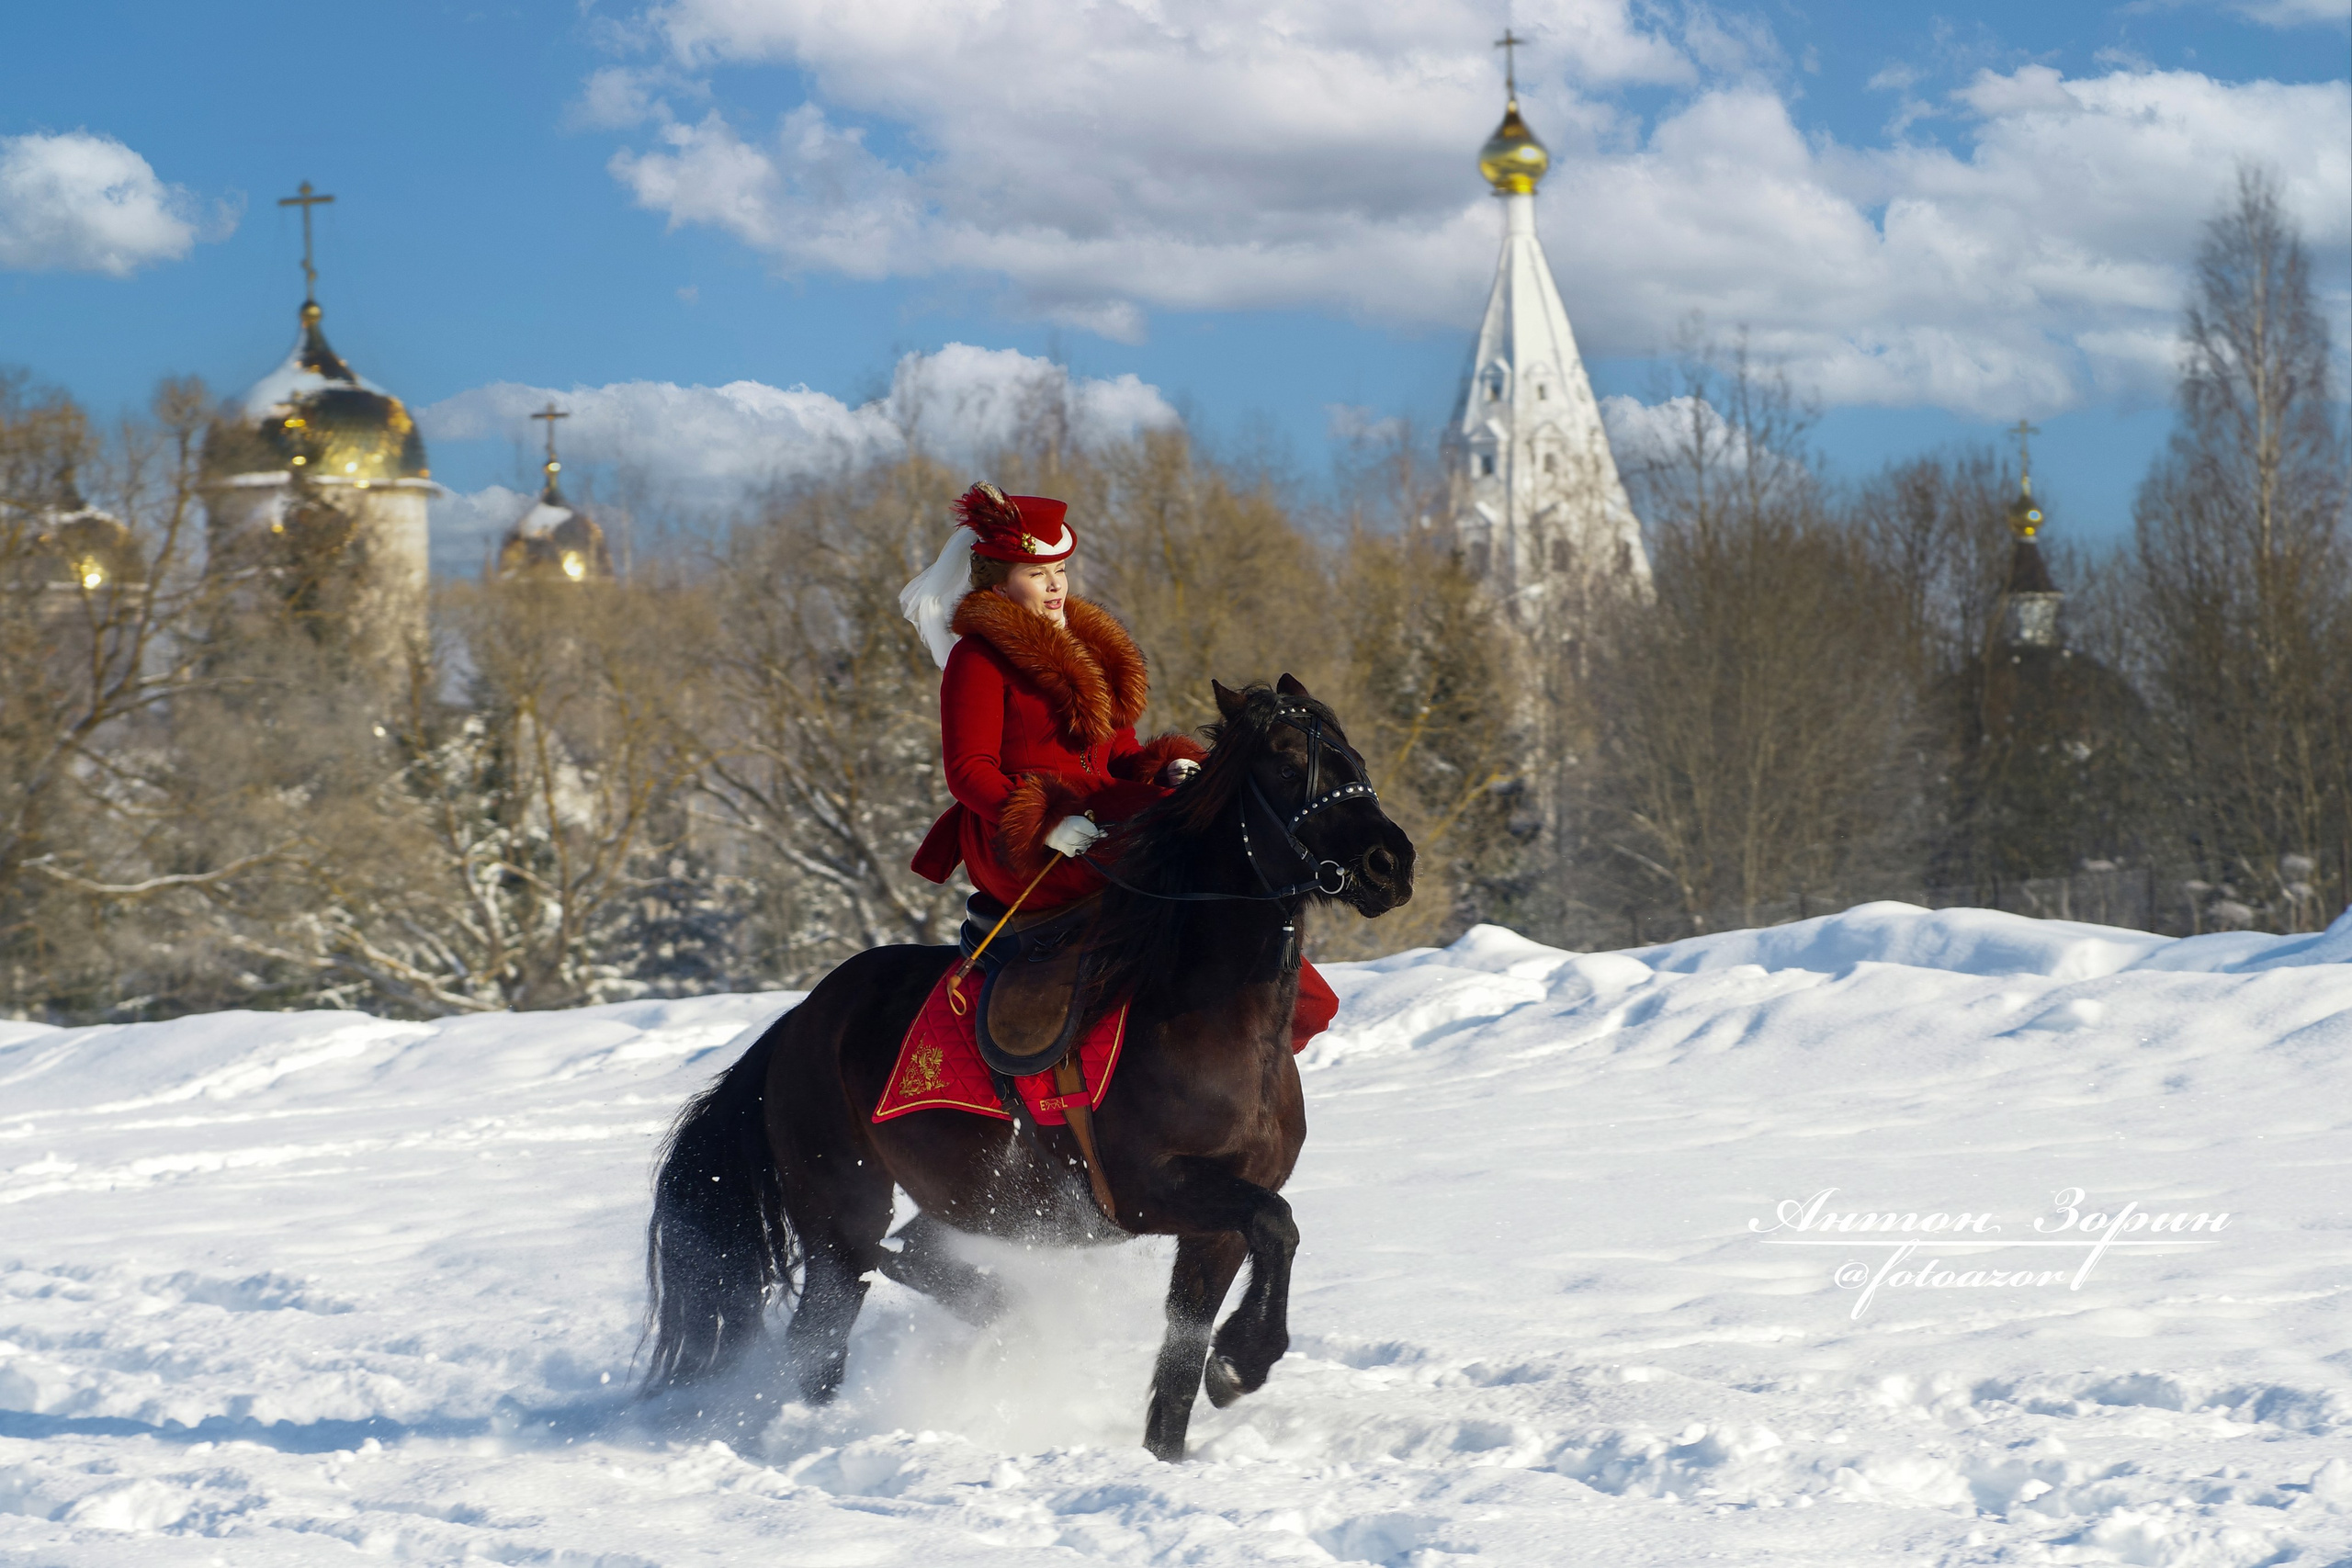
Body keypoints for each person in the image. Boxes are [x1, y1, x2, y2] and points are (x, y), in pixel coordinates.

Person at [901, 482, 1337, 1047]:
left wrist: (1171, 768)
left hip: (1106, 810)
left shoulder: (1090, 649)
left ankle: (1262, 999)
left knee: (1221, 831)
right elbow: (968, 770)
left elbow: (1121, 757)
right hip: (1016, 833)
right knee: (1161, 859)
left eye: (1060, 568)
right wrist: (1047, 823)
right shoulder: (977, 659)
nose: (1056, 584)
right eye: (1036, 573)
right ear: (997, 579)